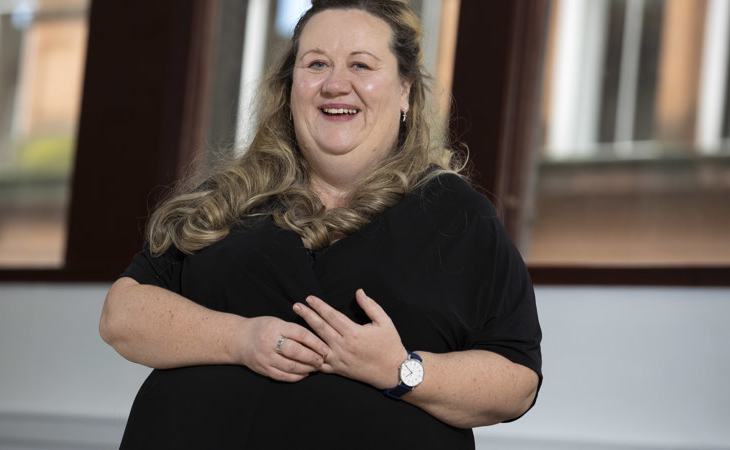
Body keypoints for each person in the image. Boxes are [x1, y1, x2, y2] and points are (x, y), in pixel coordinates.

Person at [99, 0, 542, 448]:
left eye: (360, 65)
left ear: (405, 89)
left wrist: (400, 369)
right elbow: (123, 315)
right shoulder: (225, 200)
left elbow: (517, 382)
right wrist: (240, 338)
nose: (335, 85)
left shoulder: (458, 216)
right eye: (317, 64)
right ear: (291, 86)